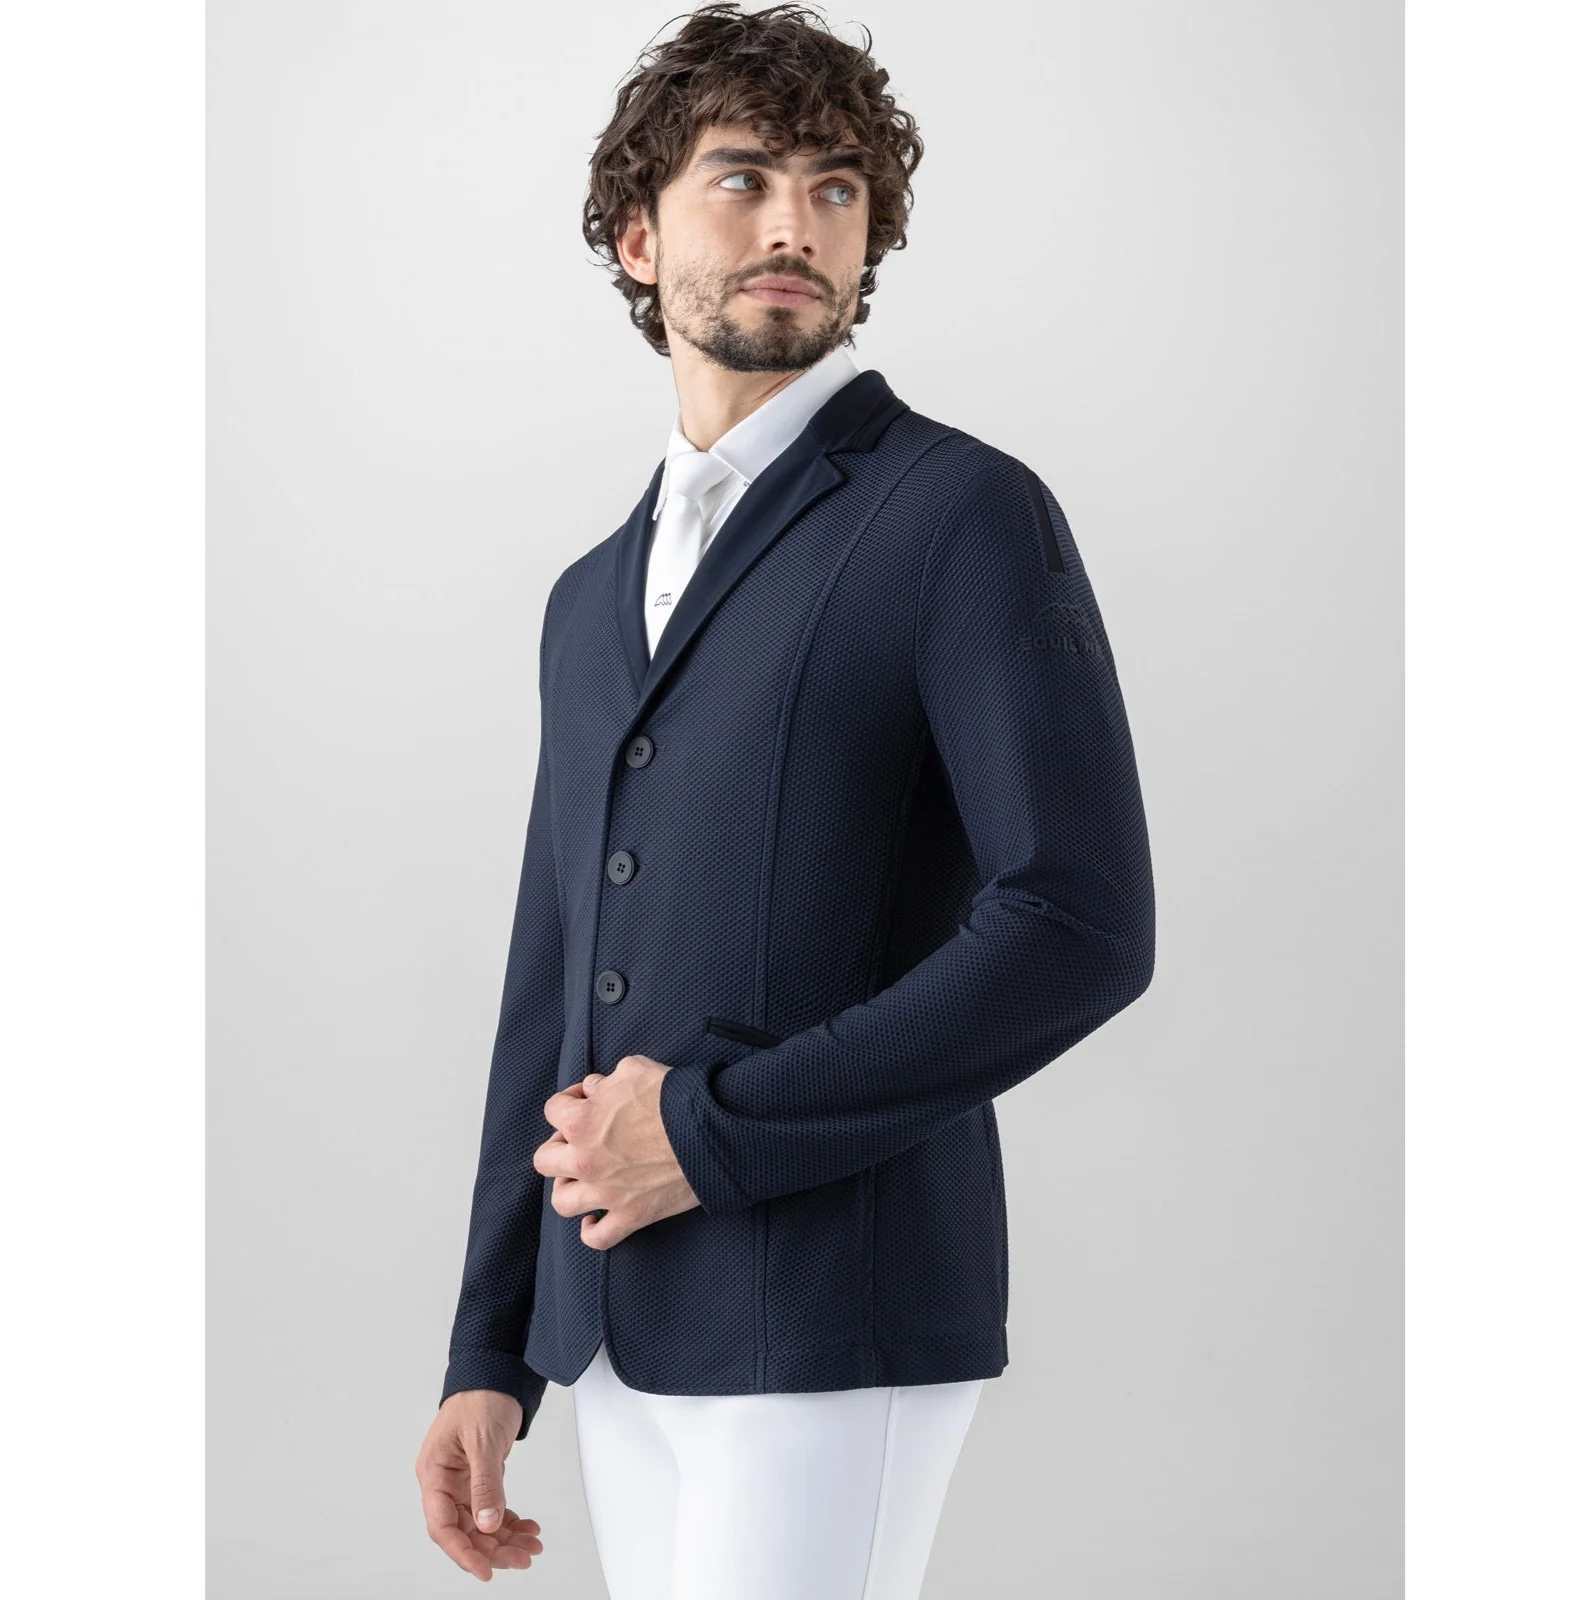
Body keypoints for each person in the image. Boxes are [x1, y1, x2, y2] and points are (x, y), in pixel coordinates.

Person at [414, 5, 1156, 1594]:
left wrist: (705, 1134)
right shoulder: (589, 596)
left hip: (833, 1307)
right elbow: (553, 974)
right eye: (743, 178)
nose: (794, 226)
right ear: (636, 237)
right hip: (613, 1319)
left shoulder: (959, 513)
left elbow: (1078, 921)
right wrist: (492, 1347)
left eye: (836, 189)